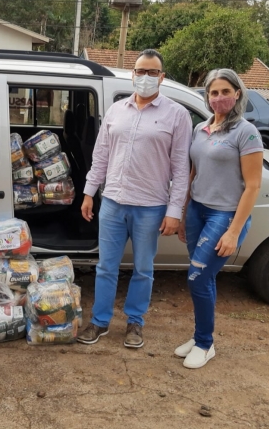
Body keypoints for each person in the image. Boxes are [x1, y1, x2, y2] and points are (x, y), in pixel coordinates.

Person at [77, 49, 192, 349]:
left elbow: (181, 169)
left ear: (162, 77)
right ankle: (99, 321)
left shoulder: (177, 115)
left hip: (151, 207)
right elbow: (101, 155)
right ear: (132, 74)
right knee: (105, 266)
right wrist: (89, 192)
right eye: (140, 71)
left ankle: (134, 322)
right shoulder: (116, 110)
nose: (145, 77)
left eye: (152, 72)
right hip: (113, 202)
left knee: (143, 269)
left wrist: (174, 211)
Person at [175, 69, 263, 369]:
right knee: (204, 277)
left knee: (197, 277)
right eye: (214, 92)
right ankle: (201, 336)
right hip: (198, 211)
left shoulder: (246, 131)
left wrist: (234, 231)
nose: (220, 97)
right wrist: (185, 210)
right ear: (207, 96)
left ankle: (205, 343)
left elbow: (253, 186)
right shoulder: (201, 129)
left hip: (224, 216)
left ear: (237, 94)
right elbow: (194, 172)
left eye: (226, 91)